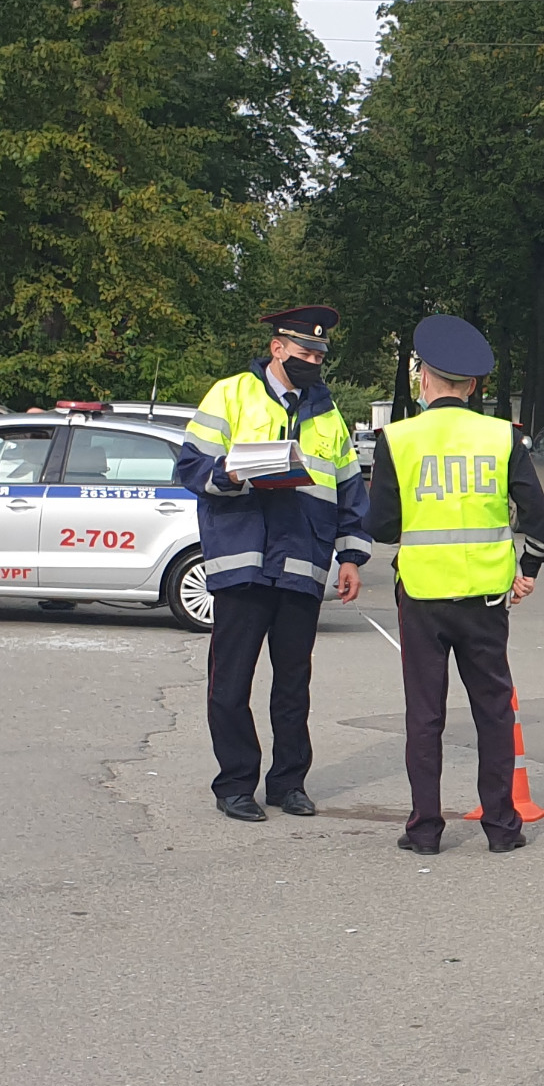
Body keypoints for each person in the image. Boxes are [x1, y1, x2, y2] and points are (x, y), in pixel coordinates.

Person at [367, 315, 544, 855]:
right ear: (474, 386)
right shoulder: (502, 436)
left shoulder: (397, 439)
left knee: (424, 715)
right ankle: (502, 827)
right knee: (494, 709)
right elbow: (539, 524)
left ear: (423, 379)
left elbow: (380, 526)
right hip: (486, 596)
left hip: (423, 597)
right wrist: (530, 570)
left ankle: (424, 830)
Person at [176, 306, 370, 823]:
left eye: (319, 355)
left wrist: (351, 556)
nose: (313, 362)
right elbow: (191, 466)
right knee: (231, 682)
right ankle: (236, 784)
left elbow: (350, 489)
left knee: (293, 684)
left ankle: (289, 783)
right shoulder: (231, 393)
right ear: (278, 348)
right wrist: (236, 472)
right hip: (242, 561)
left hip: (302, 562)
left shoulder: (327, 412)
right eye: (305, 352)